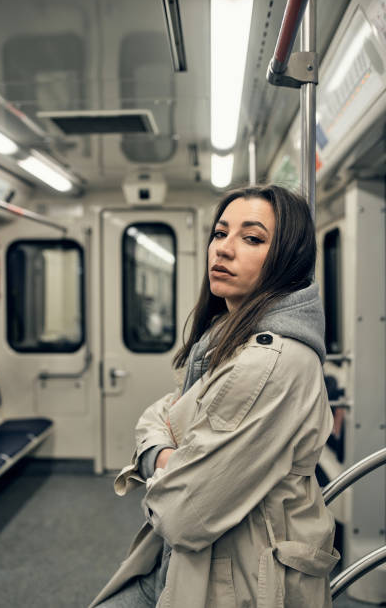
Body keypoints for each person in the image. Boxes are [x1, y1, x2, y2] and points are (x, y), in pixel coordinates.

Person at [90, 184, 340, 608]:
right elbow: (163, 412)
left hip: (236, 578)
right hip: (188, 566)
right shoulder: (224, 337)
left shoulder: (269, 362)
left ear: (287, 259)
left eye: (252, 238)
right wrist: (177, 457)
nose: (223, 250)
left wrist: (156, 458)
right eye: (220, 233)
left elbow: (185, 512)